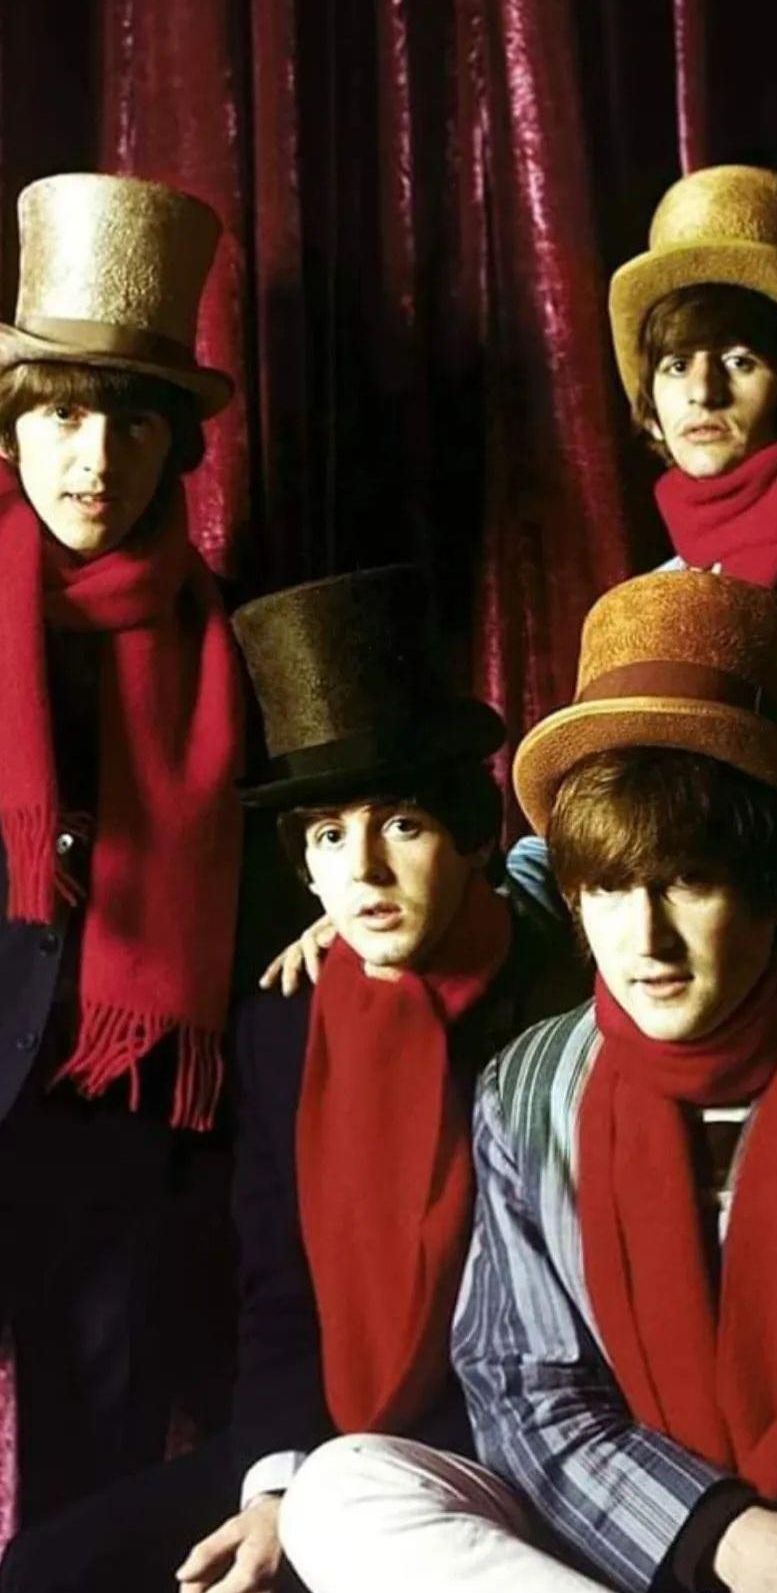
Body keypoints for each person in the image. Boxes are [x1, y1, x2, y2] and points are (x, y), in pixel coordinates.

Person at [277, 569, 777, 1593]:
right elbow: (524, 1385)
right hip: (624, 1544)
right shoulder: (529, 1085)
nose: (645, 940)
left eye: (689, 881)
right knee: (340, 1487)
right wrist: (719, 1536)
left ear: (774, 890)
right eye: (608, 888)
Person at [0, 566, 580, 1593]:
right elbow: (280, 1292)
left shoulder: (556, 1004)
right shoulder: (284, 1023)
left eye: (401, 824)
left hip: (501, 1448)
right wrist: (277, 1481)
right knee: (49, 1567)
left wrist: (320, 1505)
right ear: (303, 867)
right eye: (328, 835)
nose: (363, 870)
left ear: (466, 834)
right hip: (319, 1432)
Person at [511, 163, 777, 1063]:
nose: (702, 393)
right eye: (677, 364)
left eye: (739, 361)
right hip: (686, 1036)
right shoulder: (650, 600)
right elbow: (588, 821)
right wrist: (417, 914)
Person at [0, 172, 243, 1525]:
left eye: (134, 423)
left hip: (116, 1107)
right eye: (64, 415)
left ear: (174, 448)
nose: (96, 458)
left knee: (93, 1475)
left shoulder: (229, 643)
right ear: (15, 427)